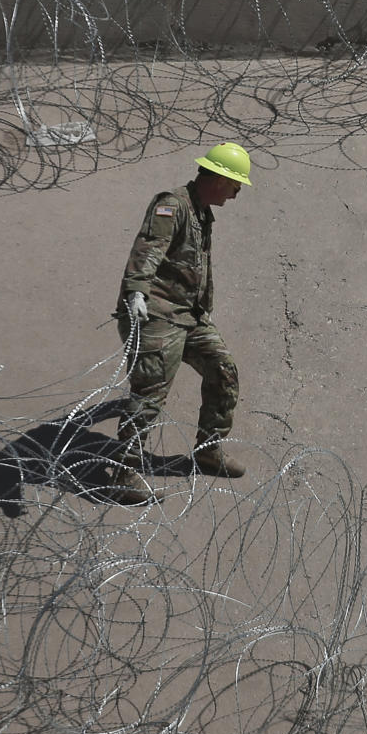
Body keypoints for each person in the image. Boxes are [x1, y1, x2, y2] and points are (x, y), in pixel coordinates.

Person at [103, 142, 254, 504]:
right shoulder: (171, 205)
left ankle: (208, 448)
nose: (236, 194)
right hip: (155, 315)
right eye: (235, 185)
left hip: (188, 315)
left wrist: (203, 304)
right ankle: (124, 474)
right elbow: (149, 248)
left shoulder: (202, 212)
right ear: (217, 179)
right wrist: (136, 291)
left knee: (224, 371)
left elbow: (192, 265)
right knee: (149, 396)